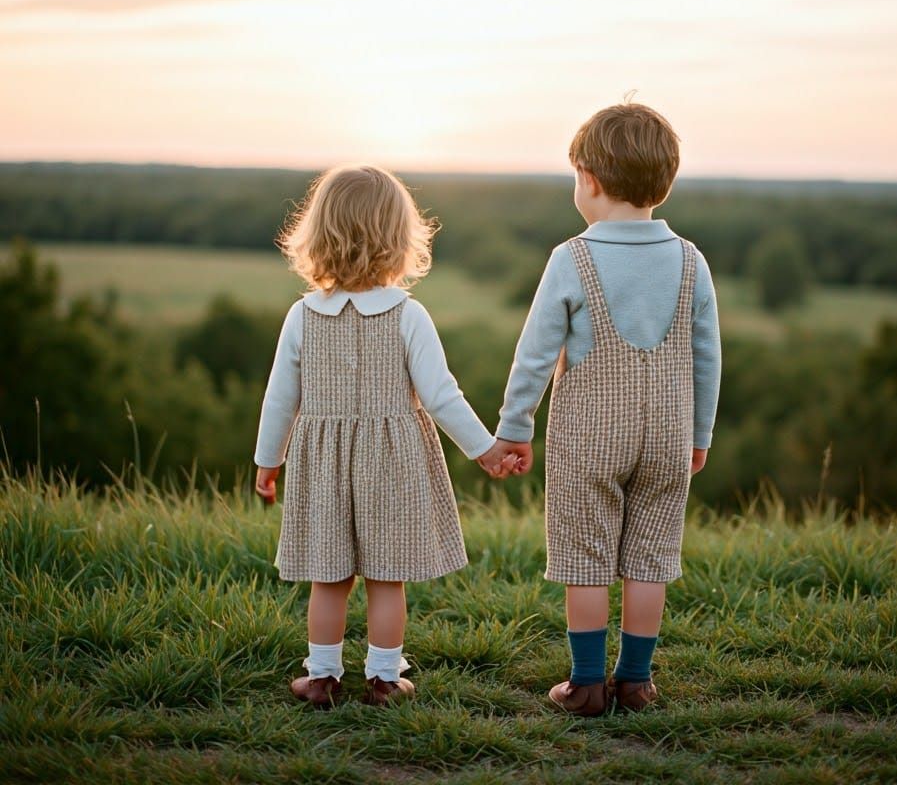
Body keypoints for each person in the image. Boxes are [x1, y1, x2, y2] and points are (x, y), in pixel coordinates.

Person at [254, 164, 513, 707]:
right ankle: (384, 679)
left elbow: (280, 398)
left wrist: (267, 462)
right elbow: (442, 395)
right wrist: (485, 450)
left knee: (328, 578)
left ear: (317, 235)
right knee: (385, 578)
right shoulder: (408, 316)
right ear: (400, 240)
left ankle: (322, 677)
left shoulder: (302, 316)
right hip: (392, 463)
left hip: (322, 462)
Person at [493, 102, 722, 715]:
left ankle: (587, 685)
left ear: (589, 179)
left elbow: (535, 355)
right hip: (671, 434)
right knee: (650, 555)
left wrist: (516, 427)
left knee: (586, 555)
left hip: (589, 436)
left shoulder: (573, 257)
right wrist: (699, 435)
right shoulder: (691, 262)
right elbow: (707, 360)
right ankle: (637, 682)